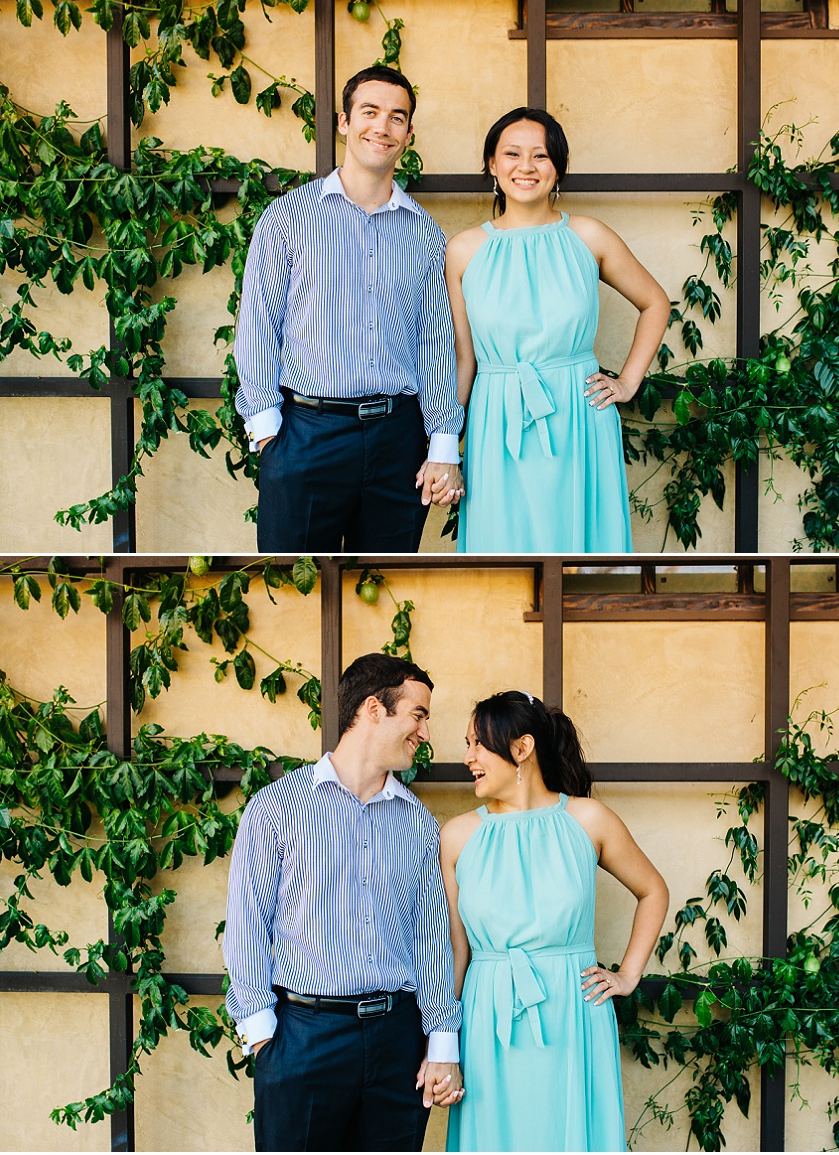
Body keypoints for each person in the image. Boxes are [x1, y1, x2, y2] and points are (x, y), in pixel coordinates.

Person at [223, 653, 464, 1152]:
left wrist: (441, 1043)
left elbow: (431, 938)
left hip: (397, 1041)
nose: (423, 731)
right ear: (374, 709)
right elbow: (248, 925)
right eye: (417, 714)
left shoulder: (417, 821)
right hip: (302, 1039)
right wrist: (264, 1039)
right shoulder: (275, 808)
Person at [234, 66, 465, 553]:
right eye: (370, 112)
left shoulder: (424, 233)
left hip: (398, 441)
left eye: (396, 118)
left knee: (384, 588)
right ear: (343, 122)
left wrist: (443, 442)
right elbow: (258, 325)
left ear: (409, 135)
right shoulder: (287, 217)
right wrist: (268, 433)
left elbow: (436, 345)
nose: (382, 127)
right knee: (298, 587)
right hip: (306, 436)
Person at [441, 690, 669, 1152]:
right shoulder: (458, 835)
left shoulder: (589, 820)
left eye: (477, 744)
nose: (467, 758)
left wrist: (627, 974)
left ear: (521, 749)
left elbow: (653, 891)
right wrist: (445, 1044)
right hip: (489, 1016)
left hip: (572, 1009)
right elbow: (457, 950)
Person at [445, 108, 671, 553]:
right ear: (492, 164)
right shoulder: (464, 249)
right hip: (497, 416)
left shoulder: (589, 236)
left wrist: (627, 382)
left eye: (541, 156)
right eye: (512, 154)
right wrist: (445, 443)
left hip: (578, 412)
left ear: (559, 168)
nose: (526, 167)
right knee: (502, 553)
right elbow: (464, 358)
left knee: (579, 556)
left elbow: (655, 302)